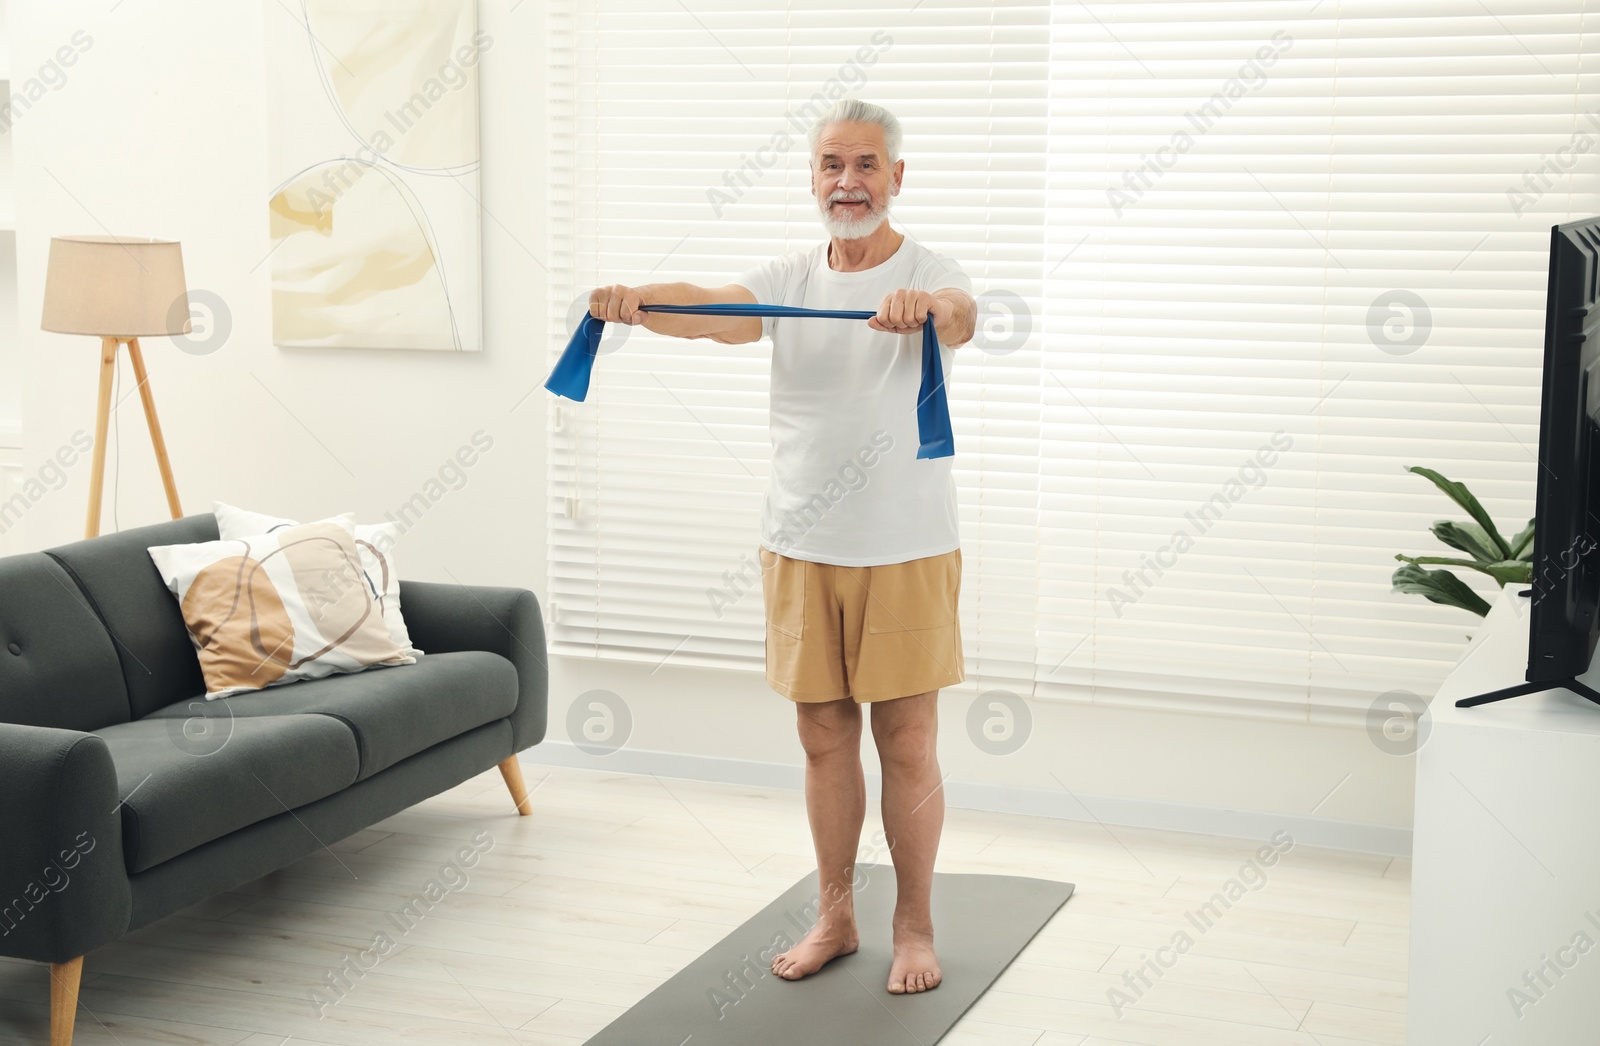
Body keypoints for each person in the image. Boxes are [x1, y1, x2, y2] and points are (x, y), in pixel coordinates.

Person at [588, 98, 977, 995]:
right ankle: (835, 915)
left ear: (896, 177)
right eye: (832, 166)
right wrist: (637, 302)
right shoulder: (793, 276)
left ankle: (913, 926)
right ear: (813, 178)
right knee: (821, 737)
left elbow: (960, 315)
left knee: (908, 743)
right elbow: (716, 307)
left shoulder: (931, 270)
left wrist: (929, 308)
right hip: (802, 544)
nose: (849, 183)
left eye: (867, 165)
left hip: (907, 547)